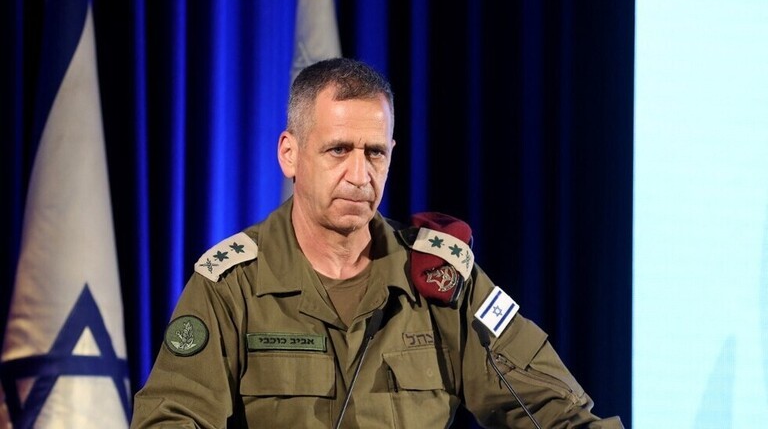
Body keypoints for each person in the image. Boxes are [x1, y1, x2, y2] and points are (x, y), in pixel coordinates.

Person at [131, 58, 623, 428]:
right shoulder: (231, 285)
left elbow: (556, 409)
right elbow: (171, 419)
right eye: (338, 150)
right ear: (290, 154)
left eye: (375, 153)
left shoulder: (442, 280)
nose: (359, 175)